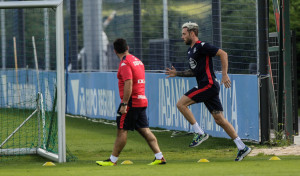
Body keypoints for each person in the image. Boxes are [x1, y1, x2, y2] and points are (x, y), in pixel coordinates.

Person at [165, 22, 251, 161]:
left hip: (208, 85)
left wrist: (224, 74)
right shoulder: (190, 51)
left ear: (192, 33)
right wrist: (178, 73)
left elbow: (223, 54)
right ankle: (242, 147)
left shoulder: (202, 46)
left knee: (181, 104)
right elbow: (194, 72)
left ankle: (199, 132)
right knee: (219, 119)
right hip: (207, 86)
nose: (182, 37)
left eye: (184, 34)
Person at [96, 38, 166, 166]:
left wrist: (124, 104)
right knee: (145, 130)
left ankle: (112, 160)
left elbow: (129, 82)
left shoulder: (125, 63)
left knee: (122, 130)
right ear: (127, 47)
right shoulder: (137, 61)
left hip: (131, 102)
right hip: (141, 100)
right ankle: (159, 157)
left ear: (115, 51)